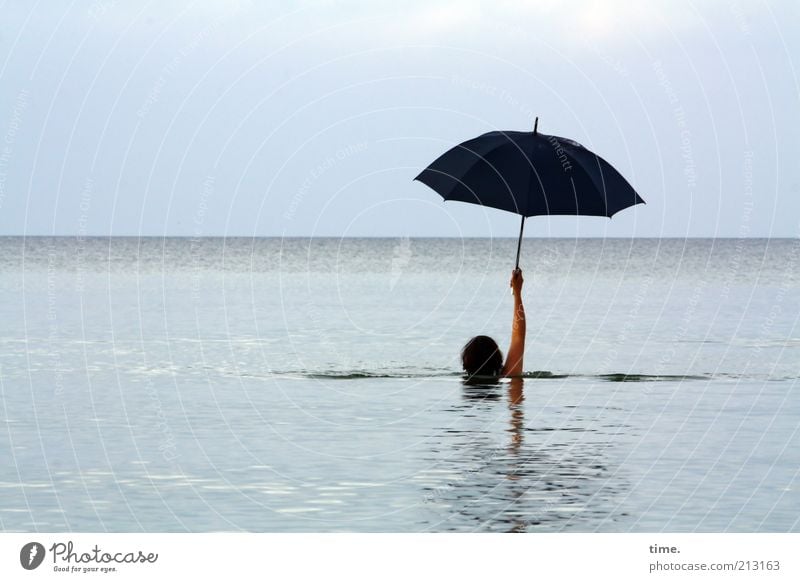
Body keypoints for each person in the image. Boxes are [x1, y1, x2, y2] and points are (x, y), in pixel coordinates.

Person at [461, 268, 526, 378]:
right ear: (497, 358)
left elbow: (519, 337)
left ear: (466, 361)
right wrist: (517, 293)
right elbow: (518, 337)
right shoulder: (509, 374)